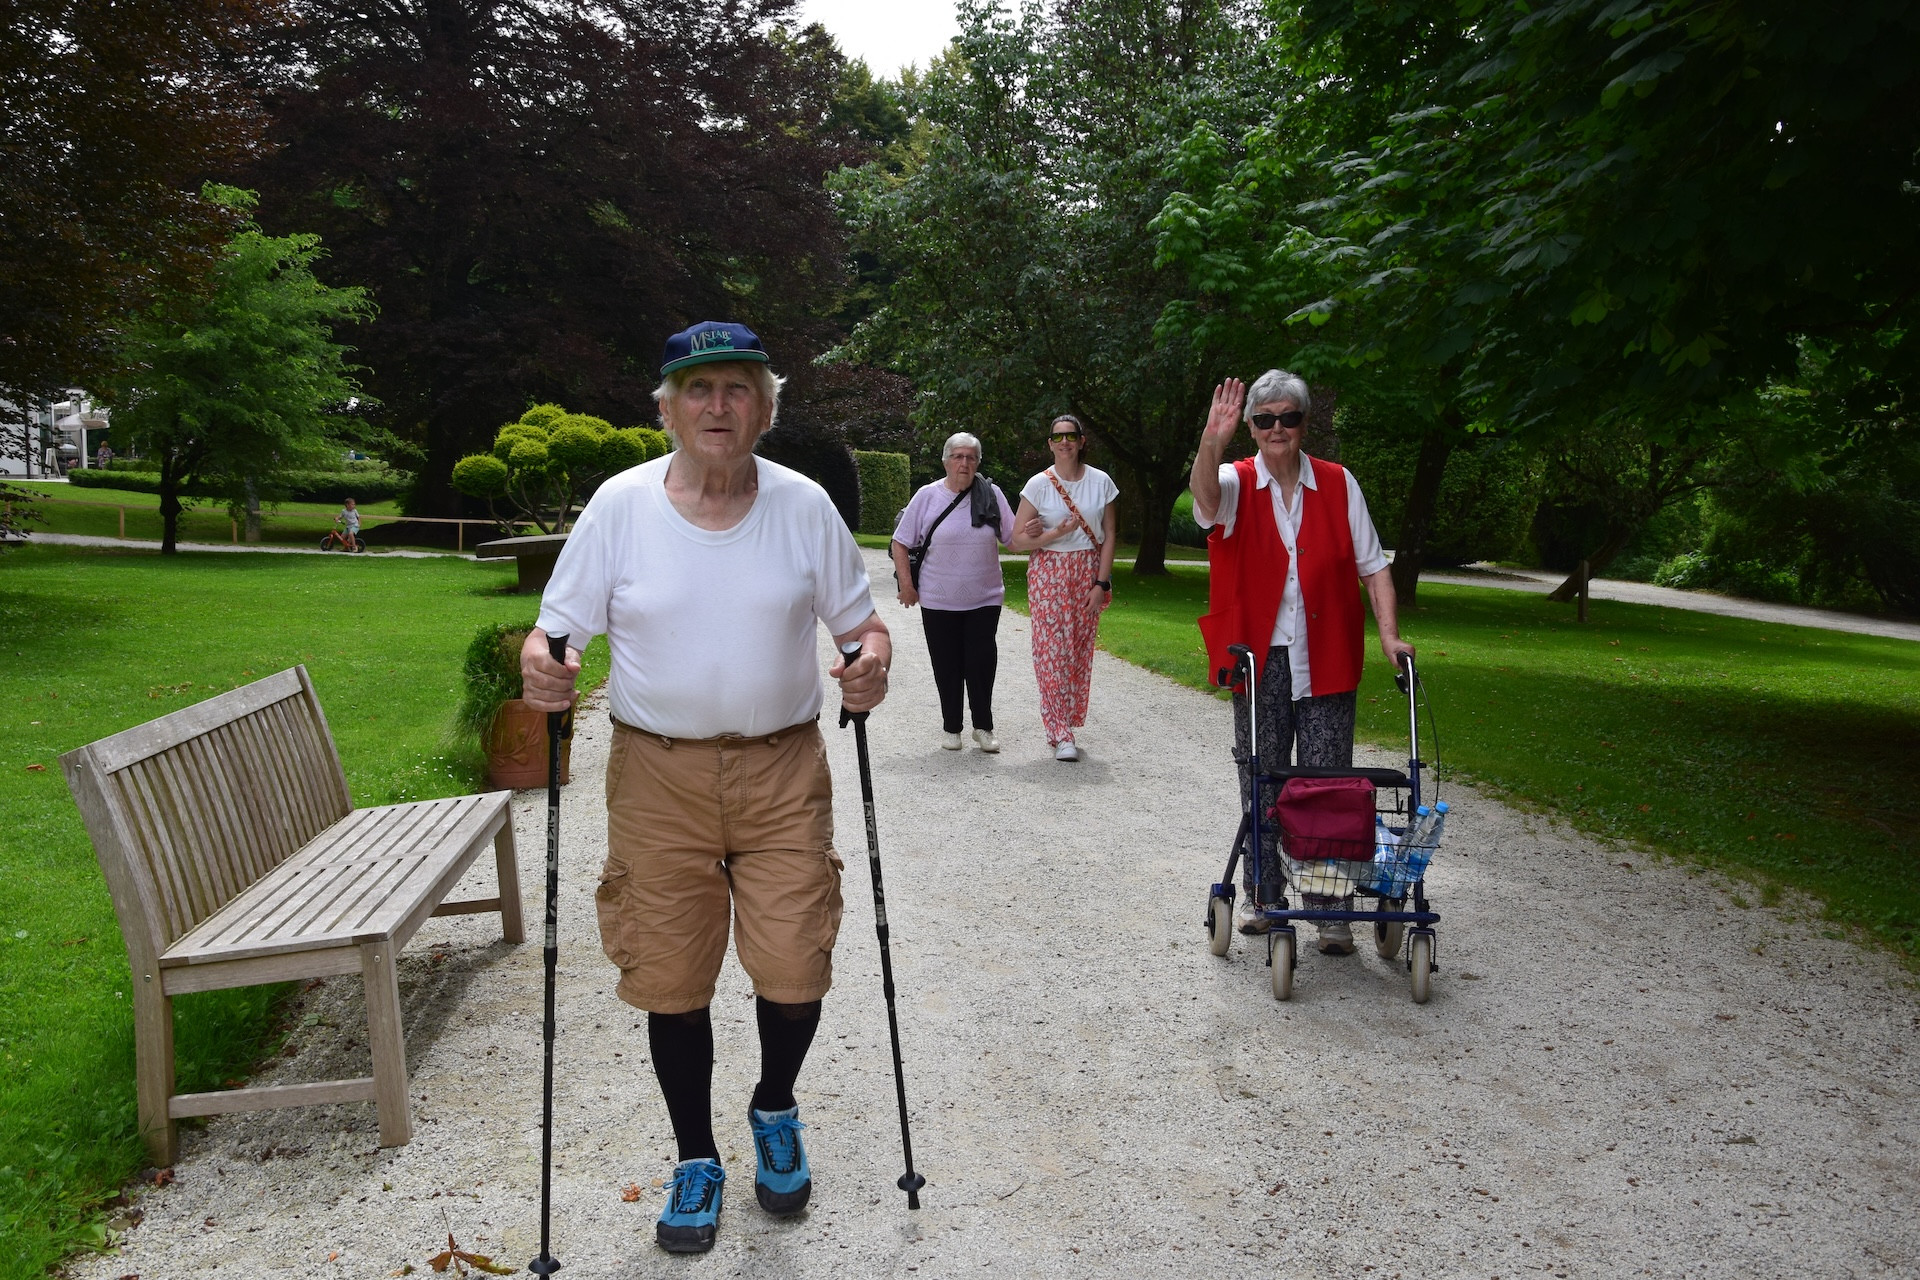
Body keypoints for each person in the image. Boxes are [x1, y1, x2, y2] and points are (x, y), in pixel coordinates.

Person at [519, 321, 892, 1254]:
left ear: (765, 408)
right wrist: (543, 667)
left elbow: (863, 628)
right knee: (670, 974)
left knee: (796, 964)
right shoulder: (620, 506)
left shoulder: (805, 506)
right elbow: (553, 633)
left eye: (737, 389)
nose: (717, 406)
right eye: (698, 389)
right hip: (658, 777)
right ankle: (695, 1156)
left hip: (781, 771)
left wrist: (870, 666)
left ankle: (774, 1105)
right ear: (667, 409)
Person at [1192, 371, 1415, 954]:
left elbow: (1374, 566)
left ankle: (1329, 909)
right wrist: (1212, 440)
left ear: (1304, 423)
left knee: (1328, 783)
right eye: (1264, 419)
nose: (1277, 429)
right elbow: (1206, 504)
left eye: (1288, 417)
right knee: (1261, 778)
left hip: (1327, 654)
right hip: (1257, 659)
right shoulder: (1235, 479)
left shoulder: (1338, 482)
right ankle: (1265, 898)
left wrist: (1390, 637)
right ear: (1251, 426)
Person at [889, 433, 1017, 753]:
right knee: (946, 664)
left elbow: (1012, 538)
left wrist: (1043, 531)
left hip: (985, 596)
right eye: (958, 456)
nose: (964, 463)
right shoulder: (927, 496)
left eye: (971, 457)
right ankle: (951, 727)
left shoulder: (991, 494)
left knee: (981, 663)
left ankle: (983, 727)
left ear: (978, 462)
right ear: (945, 461)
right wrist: (907, 585)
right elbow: (900, 542)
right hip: (938, 599)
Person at [1009, 415, 1118, 762]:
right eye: (1057, 437)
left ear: (1082, 441)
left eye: (1071, 436)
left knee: (1078, 651)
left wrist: (1101, 583)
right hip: (1049, 571)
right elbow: (1016, 540)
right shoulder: (1039, 485)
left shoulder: (1101, 482)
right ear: (1050, 443)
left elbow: (1109, 535)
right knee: (1051, 652)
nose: (1064, 442)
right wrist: (1055, 533)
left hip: (1087, 571)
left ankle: (1064, 721)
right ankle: (1059, 730)